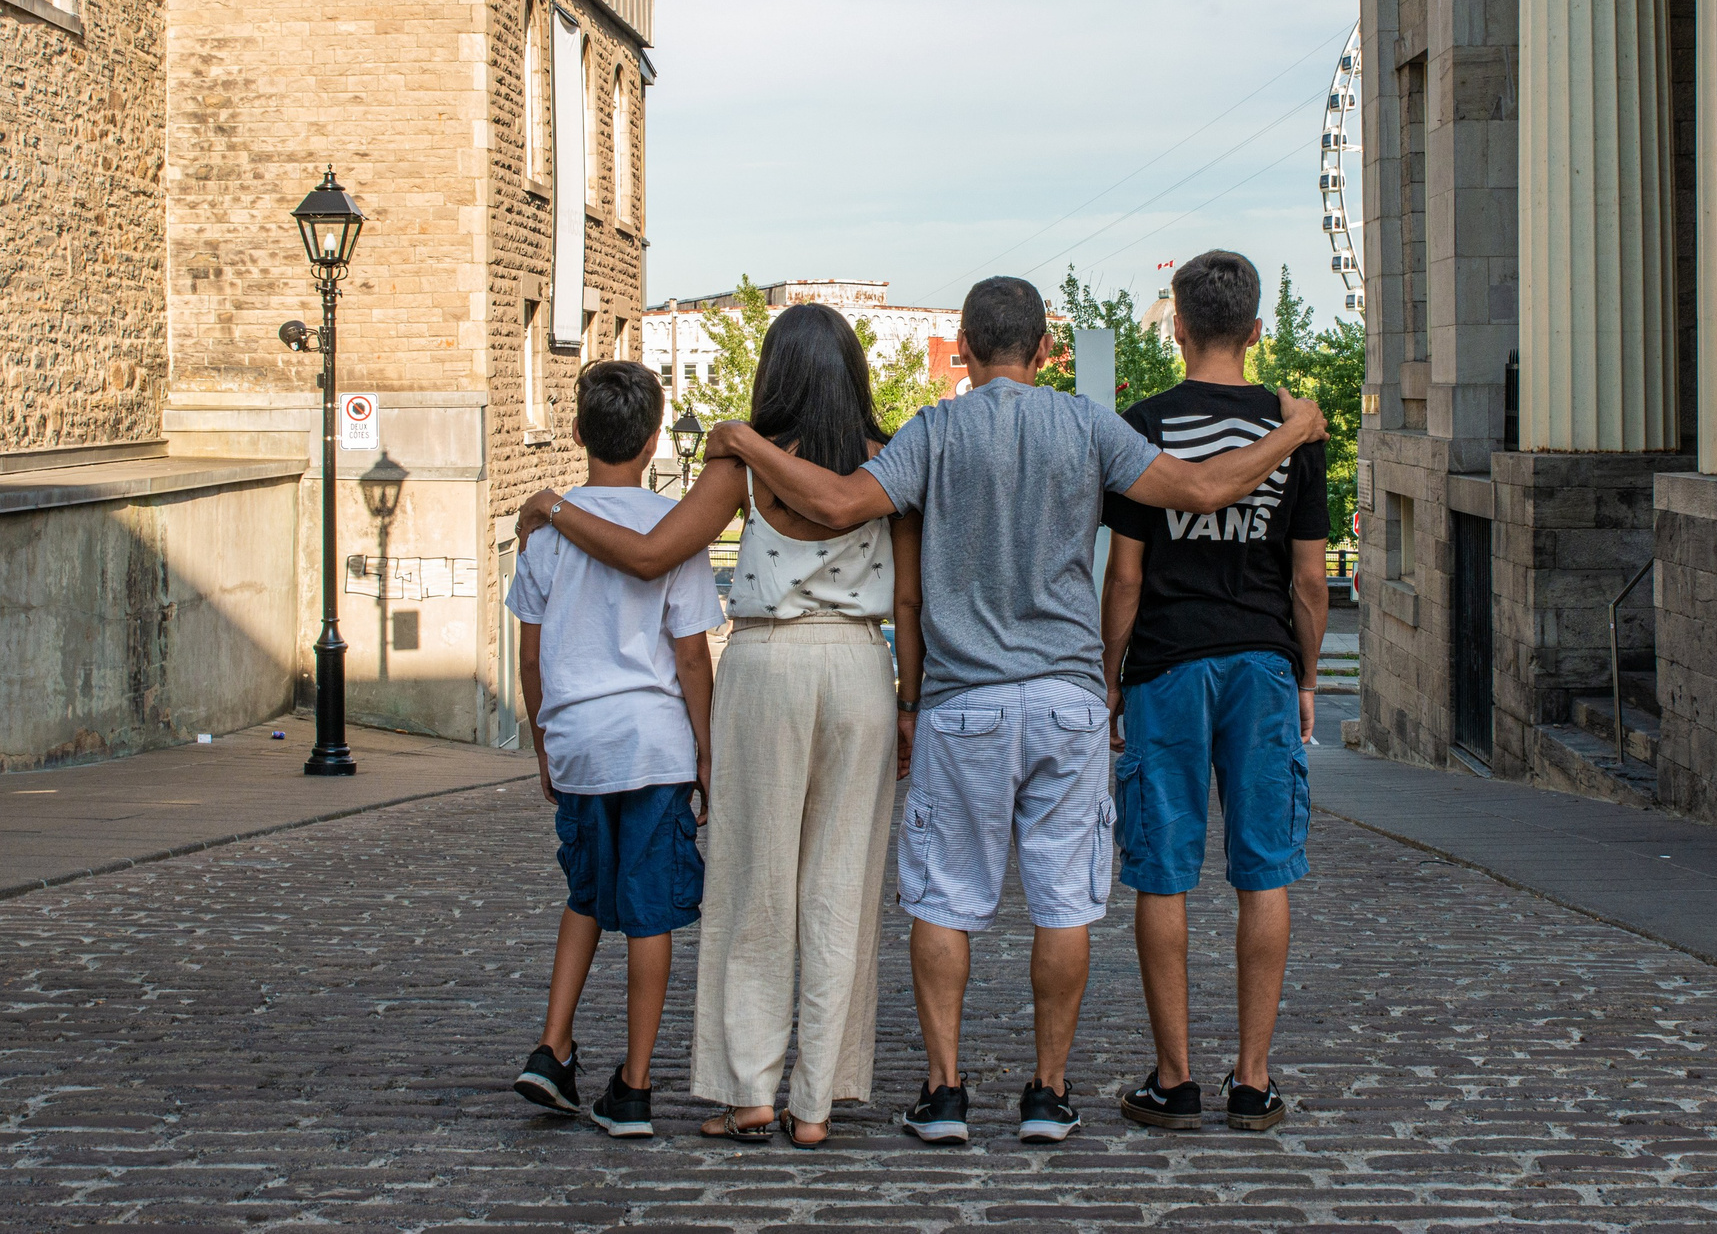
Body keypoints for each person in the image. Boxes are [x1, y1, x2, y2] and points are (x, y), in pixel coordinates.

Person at [704, 275, 1327, 1147]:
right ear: (1045, 351)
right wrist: (1293, 430)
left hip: (966, 702)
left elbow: (839, 502)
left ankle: (946, 1091)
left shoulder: (936, 429)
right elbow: (1200, 491)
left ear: (962, 345)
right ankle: (1047, 1091)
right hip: (1068, 699)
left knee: (946, 902)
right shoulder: (1085, 424)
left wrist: (743, 441)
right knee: (1061, 906)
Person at [517, 304, 920, 1149]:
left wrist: (555, 509)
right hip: (857, 668)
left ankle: (750, 1094)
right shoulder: (891, 463)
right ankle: (816, 1103)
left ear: (772, 375)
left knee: (753, 884)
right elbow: (910, 595)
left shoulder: (742, 466)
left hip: (769, 665)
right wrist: (909, 696)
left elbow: (650, 552)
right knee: (842, 889)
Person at [1100, 251, 1328, 1135]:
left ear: (1179, 328)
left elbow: (1125, 577)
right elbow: (1310, 582)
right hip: (1261, 661)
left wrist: (1113, 673)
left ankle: (1174, 1076)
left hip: (1166, 661)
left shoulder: (1143, 424)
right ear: (1259, 330)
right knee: (1263, 867)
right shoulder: (1294, 427)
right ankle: (1253, 1078)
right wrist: (1304, 673)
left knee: (1164, 870)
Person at [506, 360, 722, 1140]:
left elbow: (530, 658)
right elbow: (692, 655)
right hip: (656, 744)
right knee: (650, 910)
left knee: (585, 896)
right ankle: (632, 1085)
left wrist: (542, 743)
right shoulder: (672, 528)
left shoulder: (544, 536)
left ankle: (552, 1042)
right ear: (657, 435)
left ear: (575, 432)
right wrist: (706, 749)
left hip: (580, 742)